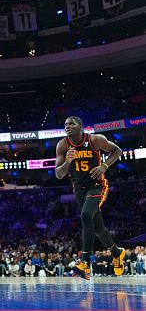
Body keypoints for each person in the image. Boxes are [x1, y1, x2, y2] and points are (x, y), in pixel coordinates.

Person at [55, 116, 125, 280]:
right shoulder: (62, 145)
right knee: (98, 228)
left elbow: (117, 150)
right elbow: (59, 174)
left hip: (97, 186)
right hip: (79, 189)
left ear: (80, 126)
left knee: (86, 215)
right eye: (65, 124)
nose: (67, 126)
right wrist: (67, 161)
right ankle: (117, 252)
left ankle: (85, 263)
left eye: (71, 124)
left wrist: (104, 166)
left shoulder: (95, 140)